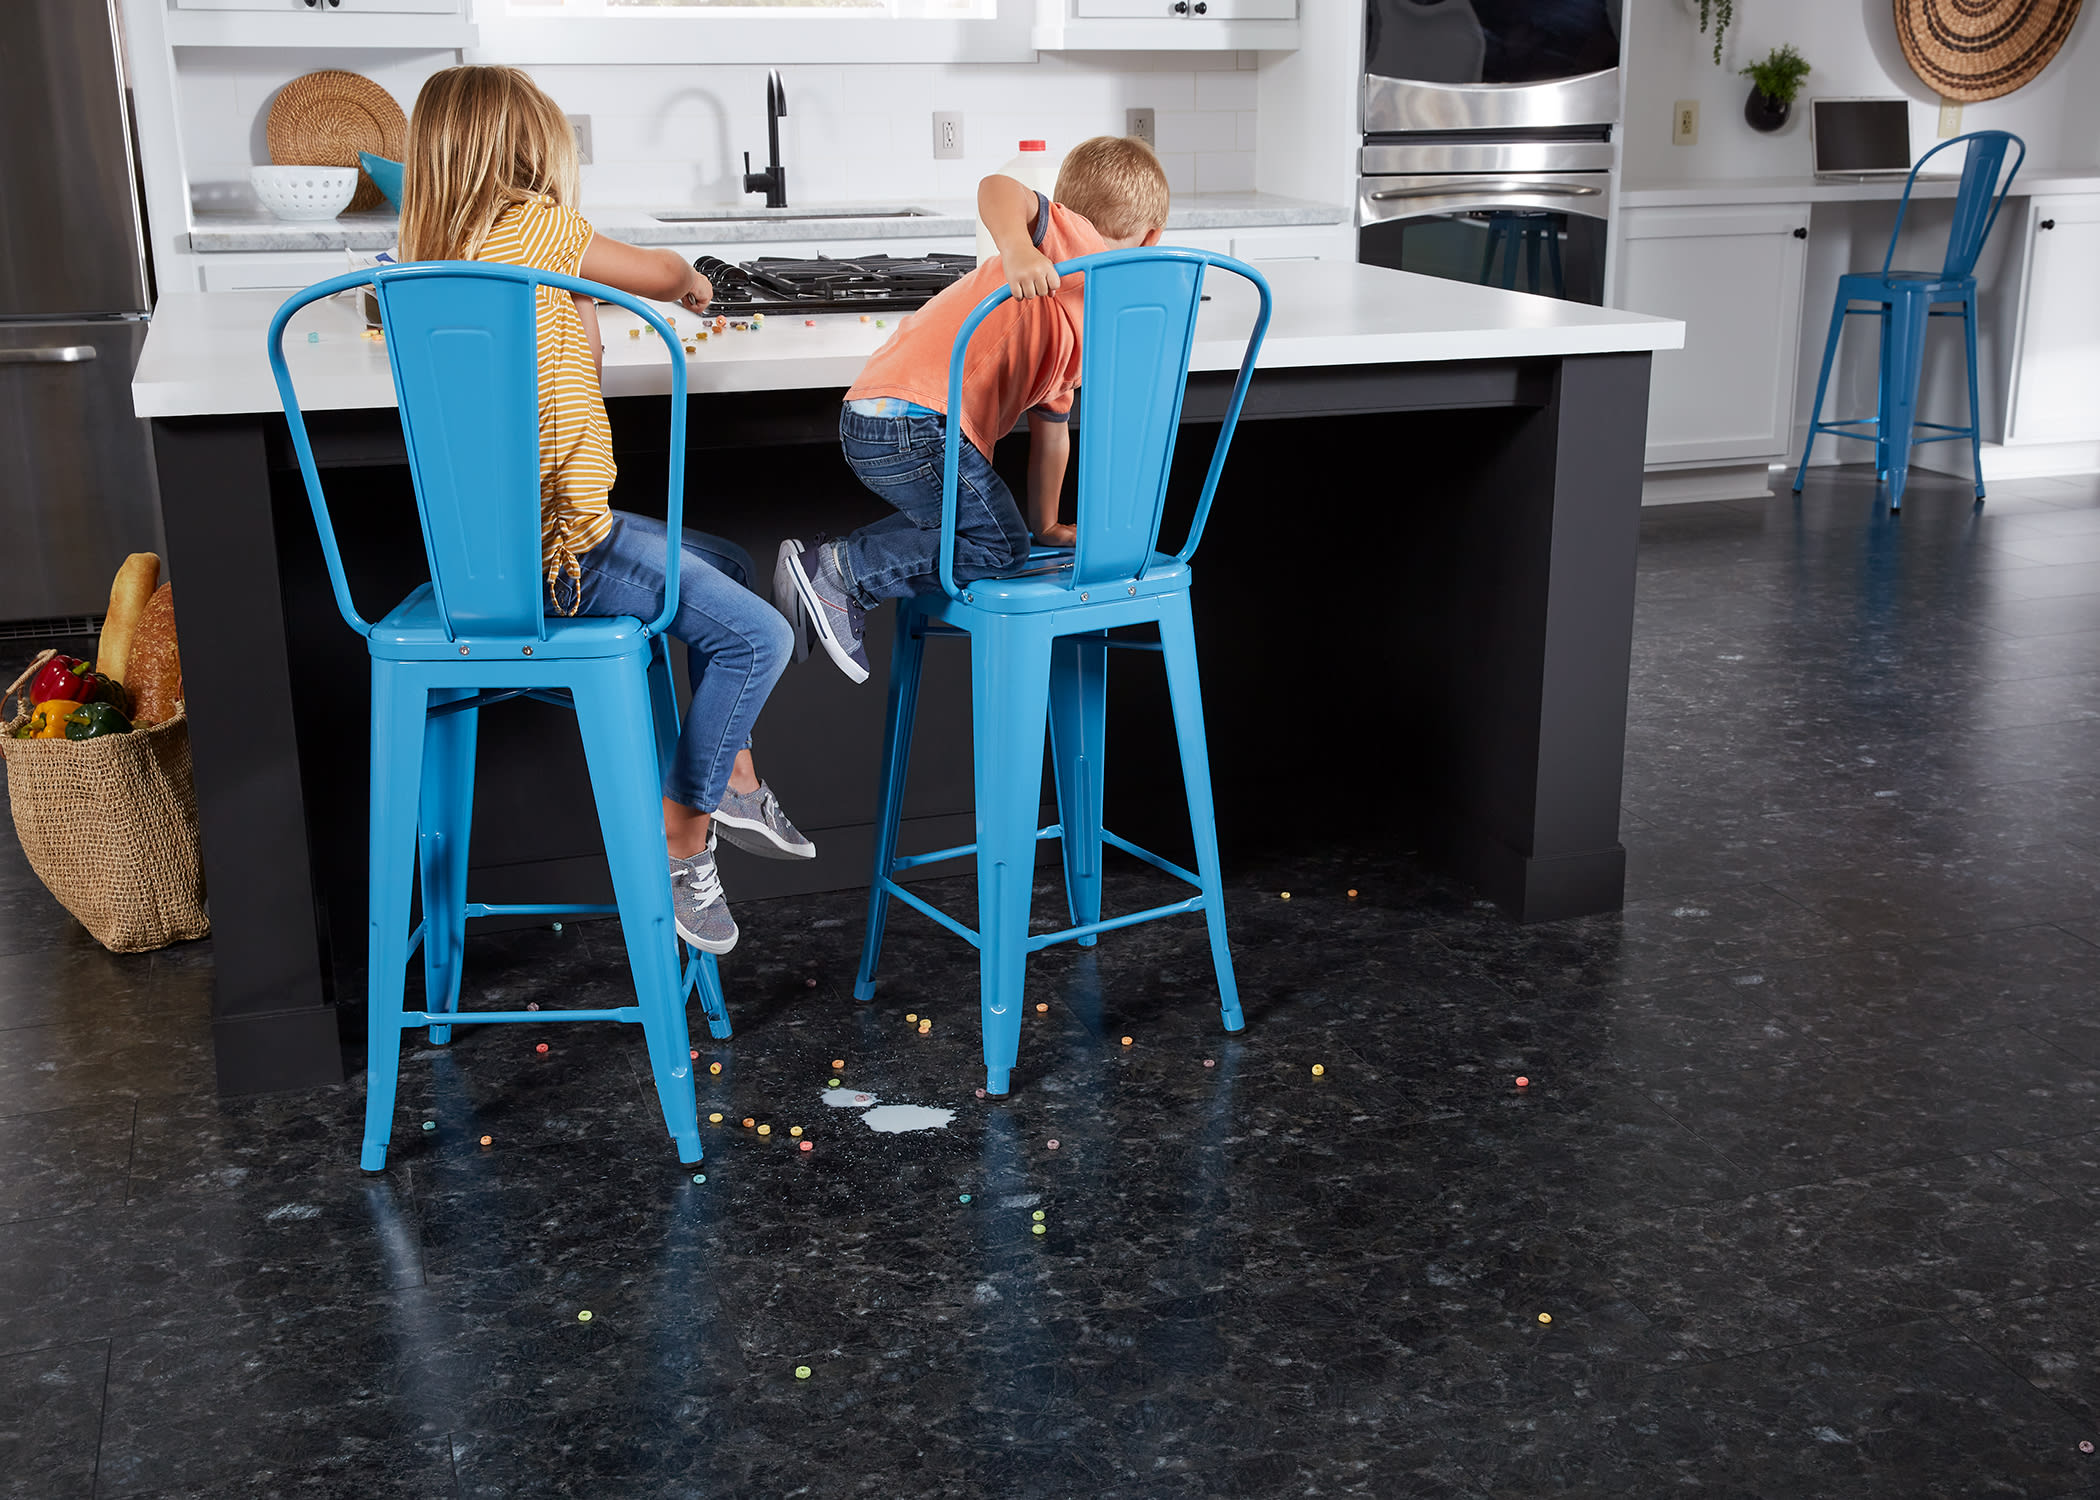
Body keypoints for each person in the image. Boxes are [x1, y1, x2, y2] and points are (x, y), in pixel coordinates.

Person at [398, 65, 808, 956]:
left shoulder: (444, 252)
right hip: (568, 557)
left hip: (500, 556)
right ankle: (684, 837)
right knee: (759, 636)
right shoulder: (536, 225)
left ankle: (733, 776)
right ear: (527, 151)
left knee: (728, 565)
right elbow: (660, 272)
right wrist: (696, 284)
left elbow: (571, 342)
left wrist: (577, 295)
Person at [775, 136, 1170, 682]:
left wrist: (1048, 524)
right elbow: (998, 187)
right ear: (1153, 238)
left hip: (888, 420)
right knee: (1000, 548)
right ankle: (843, 573)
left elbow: (1053, 433)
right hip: (915, 423)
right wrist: (1018, 249)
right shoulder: (1069, 240)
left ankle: (831, 564)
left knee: (980, 535)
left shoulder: (1079, 329)